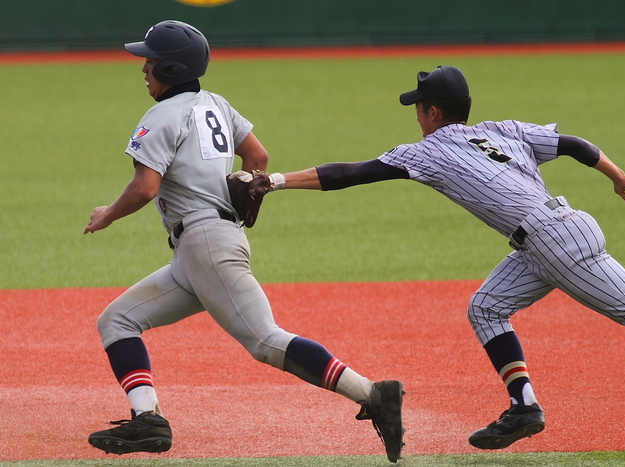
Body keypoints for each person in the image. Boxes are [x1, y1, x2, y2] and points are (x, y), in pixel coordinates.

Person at [251, 65, 625, 449]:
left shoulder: (428, 151)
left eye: (418, 105)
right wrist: (618, 177)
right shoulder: (502, 130)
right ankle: (524, 408)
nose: (415, 113)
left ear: (432, 111)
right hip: (550, 234)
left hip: (552, 241)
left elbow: (349, 174)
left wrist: (275, 182)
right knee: (487, 307)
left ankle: (525, 406)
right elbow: (574, 145)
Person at [83, 20, 404, 463]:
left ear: (171, 69)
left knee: (265, 341)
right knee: (116, 321)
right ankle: (148, 419)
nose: (144, 68)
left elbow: (145, 187)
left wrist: (107, 215)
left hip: (206, 245)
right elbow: (259, 158)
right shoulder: (216, 104)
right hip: (201, 249)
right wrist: (245, 190)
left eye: (151, 61)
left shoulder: (161, 115)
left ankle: (372, 393)